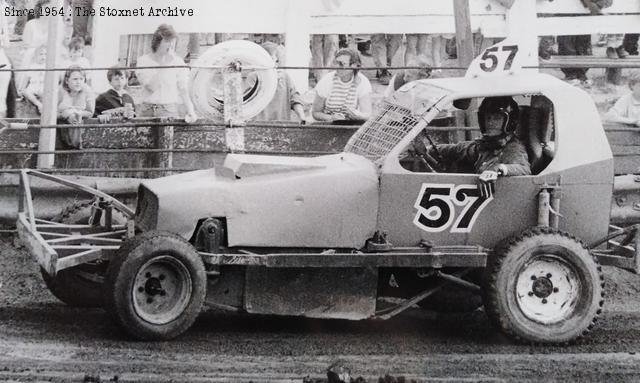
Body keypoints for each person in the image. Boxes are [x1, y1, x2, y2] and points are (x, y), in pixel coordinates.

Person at [414, 96, 531, 198]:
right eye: (488, 118)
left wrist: (498, 168)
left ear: (509, 122)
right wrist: (427, 150)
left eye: (497, 118)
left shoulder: (513, 148)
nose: (490, 123)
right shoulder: (485, 145)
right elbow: (456, 149)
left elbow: (524, 169)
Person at [135, 24, 197, 121]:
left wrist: (191, 110)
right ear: (157, 42)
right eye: (167, 41)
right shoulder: (143, 61)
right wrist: (165, 64)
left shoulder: (178, 62)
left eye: (173, 42)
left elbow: (183, 90)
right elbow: (151, 87)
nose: (171, 45)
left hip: (169, 111)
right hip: (147, 110)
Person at [252, 42, 309, 123]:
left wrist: (302, 117)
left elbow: (295, 99)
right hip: (260, 125)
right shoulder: (254, 77)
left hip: (282, 124)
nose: (276, 64)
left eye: (277, 61)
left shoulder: (285, 77)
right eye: (273, 59)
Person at [311, 48, 372, 123]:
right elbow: (315, 113)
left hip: (351, 122)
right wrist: (331, 117)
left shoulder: (362, 82)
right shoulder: (327, 80)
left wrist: (359, 116)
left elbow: (367, 114)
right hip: (328, 124)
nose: (337, 67)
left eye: (342, 64)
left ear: (354, 66)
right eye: (336, 63)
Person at [57, 66, 95, 148]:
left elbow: (90, 113)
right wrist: (64, 115)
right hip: (61, 124)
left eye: (81, 79)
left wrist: (76, 112)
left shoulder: (87, 91)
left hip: (78, 125)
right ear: (67, 80)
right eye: (75, 79)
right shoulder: (60, 91)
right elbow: (50, 112)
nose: (78, 82)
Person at [18, 44, 46, 114]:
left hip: (43, 87)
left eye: (45, 54)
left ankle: (43, 107)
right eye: (41, 54)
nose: (43, 56)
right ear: (35, 56)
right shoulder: (32, 67)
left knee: (46, 93)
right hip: (33, 87)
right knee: (26, 92)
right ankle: (38, 104)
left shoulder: (47, 66)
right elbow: (25, 81)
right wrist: (22, 89)